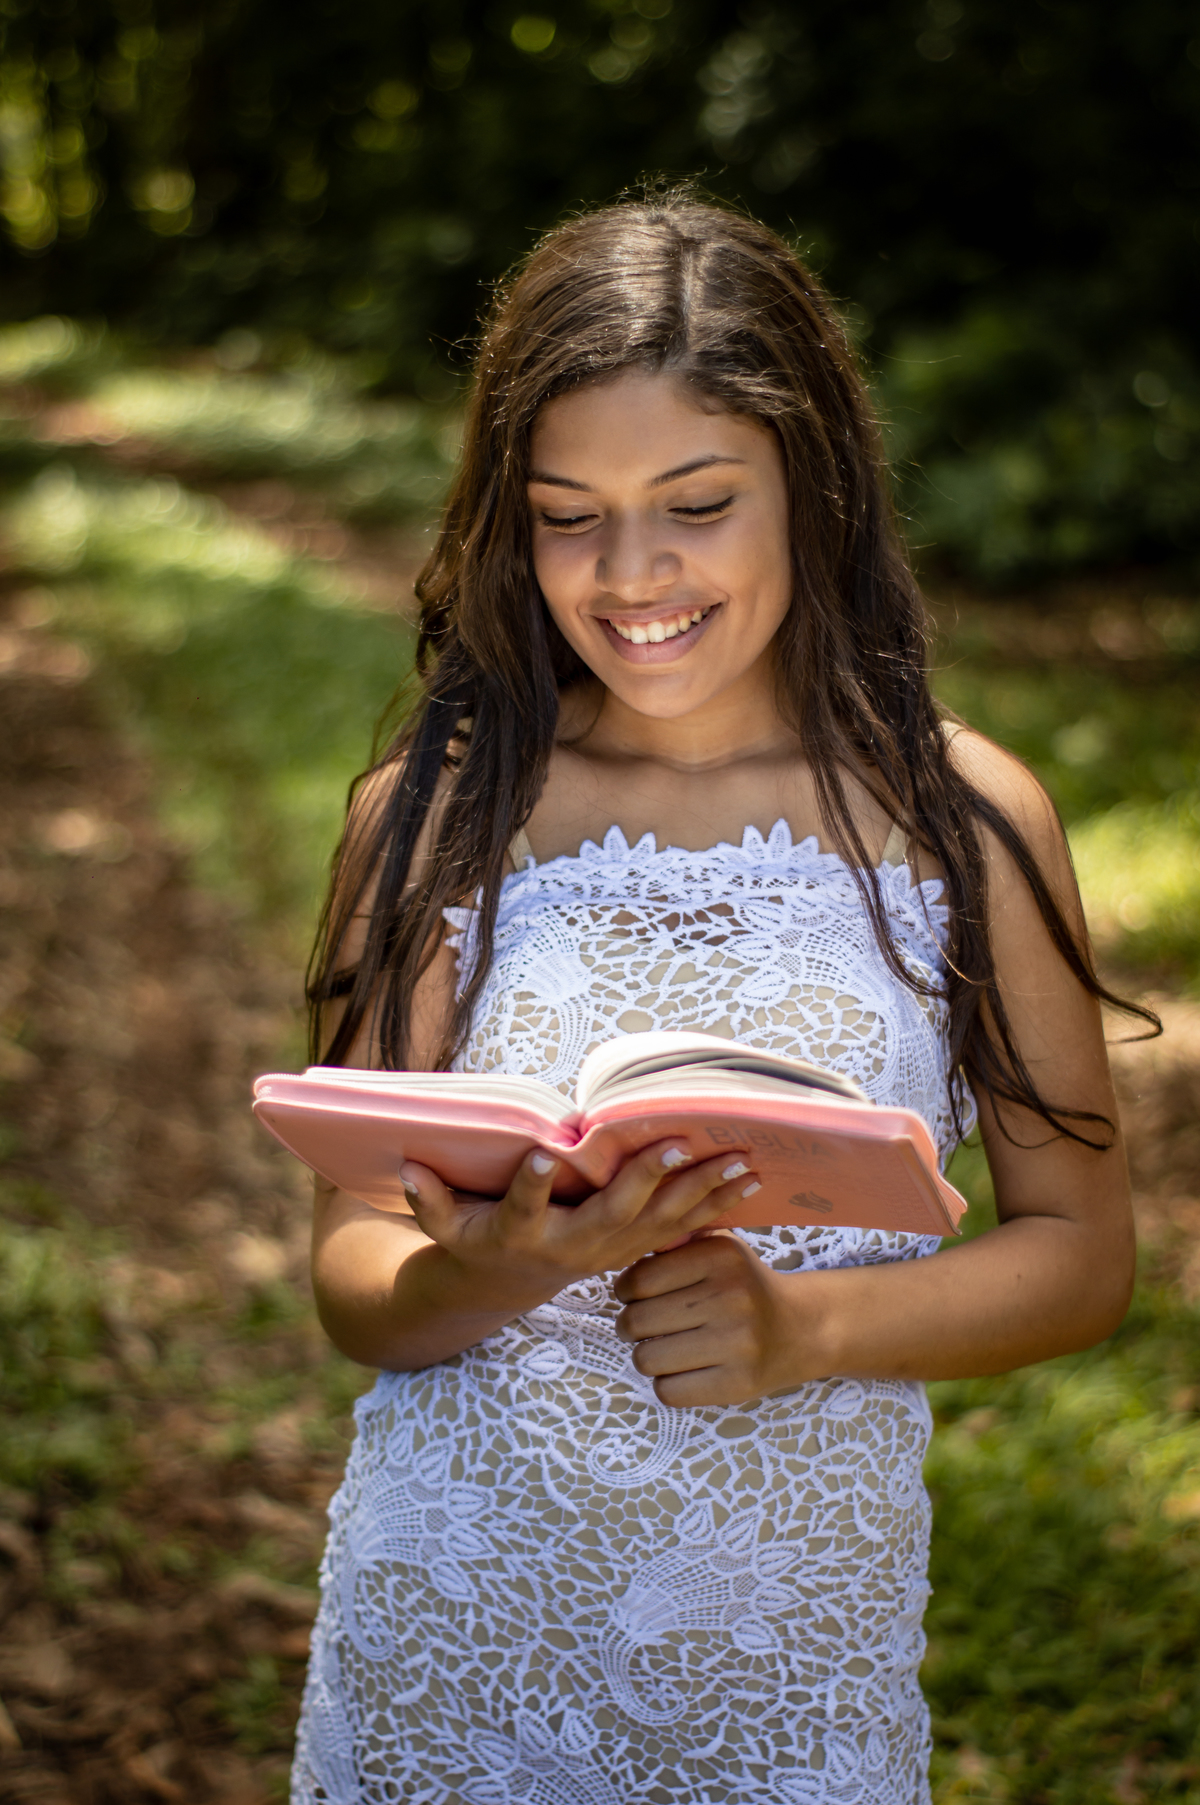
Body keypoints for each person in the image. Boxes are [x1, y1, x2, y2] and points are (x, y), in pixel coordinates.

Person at [293, 192, 1145, 1805]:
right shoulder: (439, 811)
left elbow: (1081, 1254)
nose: (631, 574)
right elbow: (352, 1272)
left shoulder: (963, 820)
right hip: (453, 1631)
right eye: (566, 514)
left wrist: (806, 1323)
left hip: (781, 1658)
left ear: (811, 491)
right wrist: (481, 1268)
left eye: (695, 503)